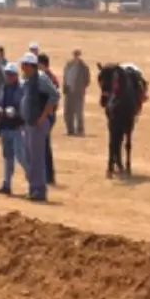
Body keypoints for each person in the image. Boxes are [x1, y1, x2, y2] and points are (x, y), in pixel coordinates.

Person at [20, 52, 59, 202]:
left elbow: (54, 95)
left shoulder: (41, 79)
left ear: (31, 65)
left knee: (37, 158)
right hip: (28, 123)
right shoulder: (28, 79)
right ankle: (33, 188)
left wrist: (43, 116)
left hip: (38, 123)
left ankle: (39, 190)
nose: (22, 67)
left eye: (24, 64)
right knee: (29, 157)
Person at [0, 63, 27, 195]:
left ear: (16, 75)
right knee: (7, 157)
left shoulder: (21, 88)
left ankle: (33, 183)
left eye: (11, 74)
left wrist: (16, 112)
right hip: (5, 126)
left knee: (21, 156)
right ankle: (6, 185)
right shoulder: (4, 87)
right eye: (7, 74)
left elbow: (24, 106)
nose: (8, 76)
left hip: (17, 127)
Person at [38, 53, 59, 185]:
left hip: (47, 115)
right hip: (44, 115)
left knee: (44, 145)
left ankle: (48, 175)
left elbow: (54, 96)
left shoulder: (49, 78)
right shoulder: (42, 77)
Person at [62, 49, 91, 136]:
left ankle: (80, 130)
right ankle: (70, 129)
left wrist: (81, 87)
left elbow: (87, 80)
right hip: (69, 91)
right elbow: (65, 77)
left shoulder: (84, 67)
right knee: (68, 112)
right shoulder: (68, 65)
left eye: (78, 55)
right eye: (75, 55)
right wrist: (65, 87)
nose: (76, 57)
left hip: (78, 92)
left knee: (78, 112)